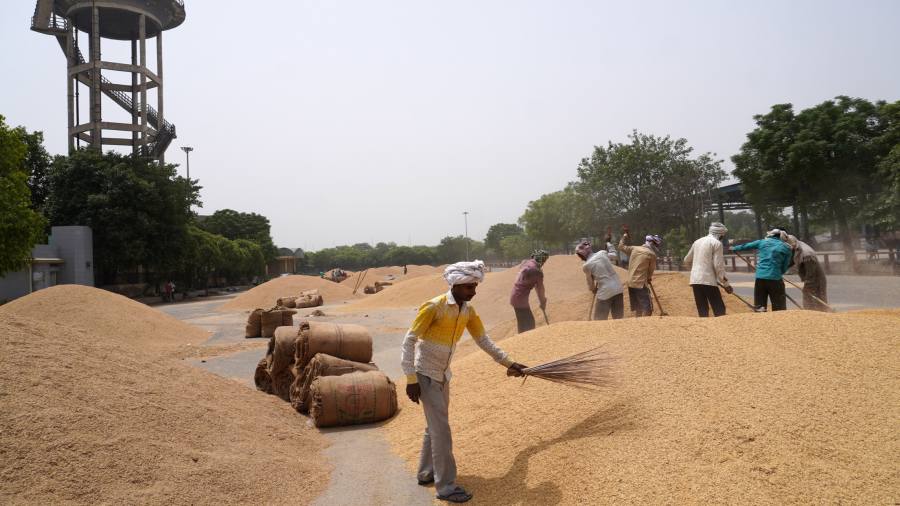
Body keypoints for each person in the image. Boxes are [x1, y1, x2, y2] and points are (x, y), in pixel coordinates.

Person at [401, 260, 526, 503]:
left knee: (434, 427)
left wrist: (509, 363)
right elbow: (409, 340)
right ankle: (446, 487)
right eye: (469, 287)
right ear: (455, 285)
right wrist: (411, 378)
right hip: (425, 374)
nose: (473, 291)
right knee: (441, 431)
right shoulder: (434, 307)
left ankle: (426, 473)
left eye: (475, 286)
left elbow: (483, 340)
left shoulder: (468, 311)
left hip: (443, 375)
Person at [731, 229, 792, 311]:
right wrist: (779, 273)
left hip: (760, 278)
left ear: (770, 235)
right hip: (775, 278)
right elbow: (785, 265)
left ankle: (760, 314)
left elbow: (747, 246)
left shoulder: (761, 242)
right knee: (779, 307)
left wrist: (734, 248)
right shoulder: (786, 247)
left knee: (760, 307)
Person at [683, 222, 732, 317]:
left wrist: (695, 271)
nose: (723, 238)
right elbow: (718, 266)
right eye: (723, 236)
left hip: (695, 280)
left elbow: (686, 260)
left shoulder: (697, 241)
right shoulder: (717, 243)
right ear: (720, 235)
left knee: (702, 309)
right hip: (708, 280)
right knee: (719, 309)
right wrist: (726, 284)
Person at [576, 240, 624, 320]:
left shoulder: (586, 265)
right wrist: (609, 245)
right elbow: (615, 255)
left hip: (605, 292)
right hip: (618, 288)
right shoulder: (602, 253)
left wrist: (593, 289)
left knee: (599, 320)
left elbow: (590, 284)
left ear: (581, 256)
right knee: (618, 318)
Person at [617, 230, 659, 317]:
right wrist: (648, 278)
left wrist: (624, 236)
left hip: (630, 283)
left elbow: (620, 246)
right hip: (640, 284)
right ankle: (645, 324)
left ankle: (637, 323)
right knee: (648, 309)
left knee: (638, 308)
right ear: (653, 244)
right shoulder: (652, 255)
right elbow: (650, 271)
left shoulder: (634, 248)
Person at [508, 250, 549, 333]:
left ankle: (520, 337)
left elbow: (537, 286)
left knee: (522, 324)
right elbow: (540, 289)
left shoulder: (526, 263)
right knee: (530, 325)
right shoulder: (537, 272)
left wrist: (542, 301)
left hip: (514, 296)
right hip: (520, 299)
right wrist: (543, 301)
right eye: (544, 261)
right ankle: (524, 340)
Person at [785, 234, 829, 311]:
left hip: (816, 278)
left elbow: (811, 273)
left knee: (815, 295)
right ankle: (811, 310)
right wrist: (780, 270)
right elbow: (791, 261)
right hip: (809, 276)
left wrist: (808, 284)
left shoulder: (807, 255)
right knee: (808, 293)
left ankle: (817, 311)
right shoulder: (796, 247)